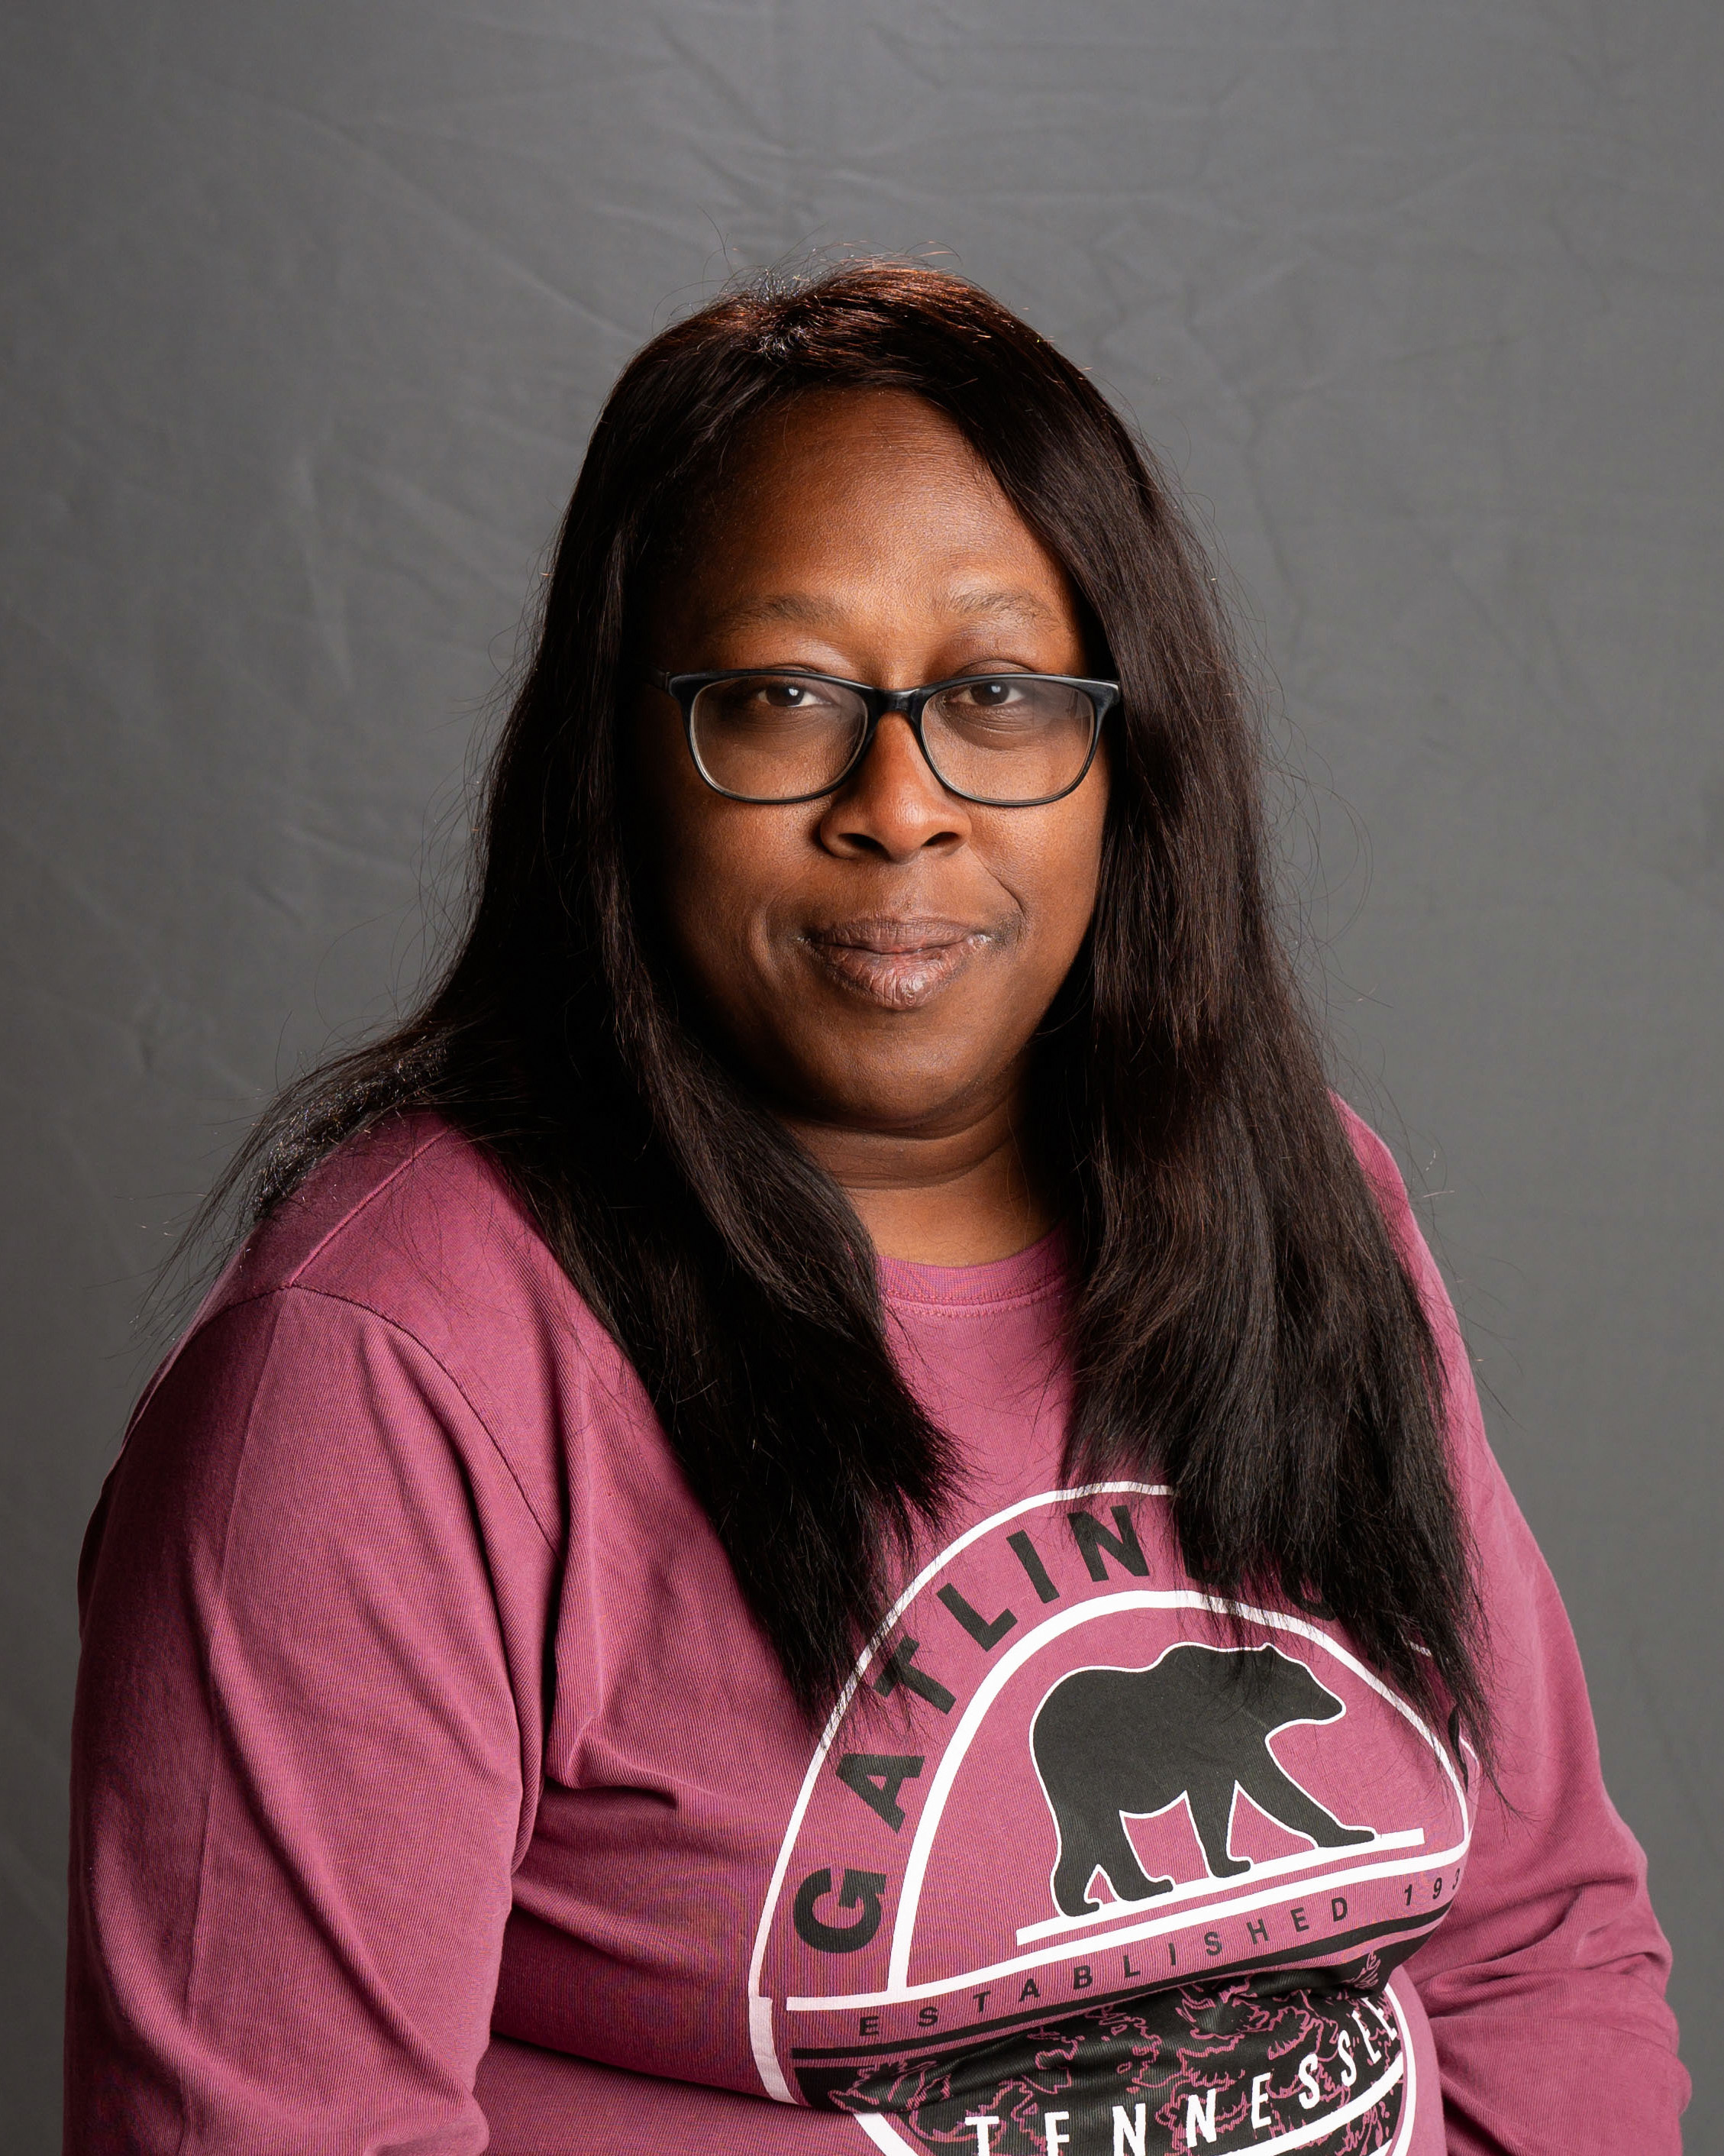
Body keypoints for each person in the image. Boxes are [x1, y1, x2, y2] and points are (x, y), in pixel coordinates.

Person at [65, 263, 1687, 2156]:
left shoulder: (1301, 1201)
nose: (899, 804)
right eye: (781, 698)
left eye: (995, 693)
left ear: (1124, 755)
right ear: (623, 760)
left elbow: (1535, 1938)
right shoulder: (384, 1365)